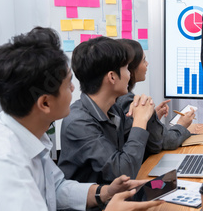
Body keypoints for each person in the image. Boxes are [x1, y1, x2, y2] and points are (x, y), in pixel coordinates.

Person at [0, 27, 162, 211]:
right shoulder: (1, 157)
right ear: (45, 103)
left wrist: (104, 192)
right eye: (67, 85)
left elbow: (56, 188)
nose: (74, 89)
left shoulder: (28, 132)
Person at [58, 37, 159, 186]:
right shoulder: (78, 122)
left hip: (114, 199)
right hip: (92, 208)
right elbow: (123, 172)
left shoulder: (113, 110)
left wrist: (146, 112)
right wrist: (140, 121)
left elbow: (152, 145)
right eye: (126, 68)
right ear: (112, 77)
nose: (129, 74)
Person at [115, 38, 194, 153]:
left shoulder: (121, 98)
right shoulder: (129, 101)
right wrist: (181, 125)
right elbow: (166, 142)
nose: (147, 64)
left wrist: (151, 117)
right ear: (130, 68)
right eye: (143, 60)